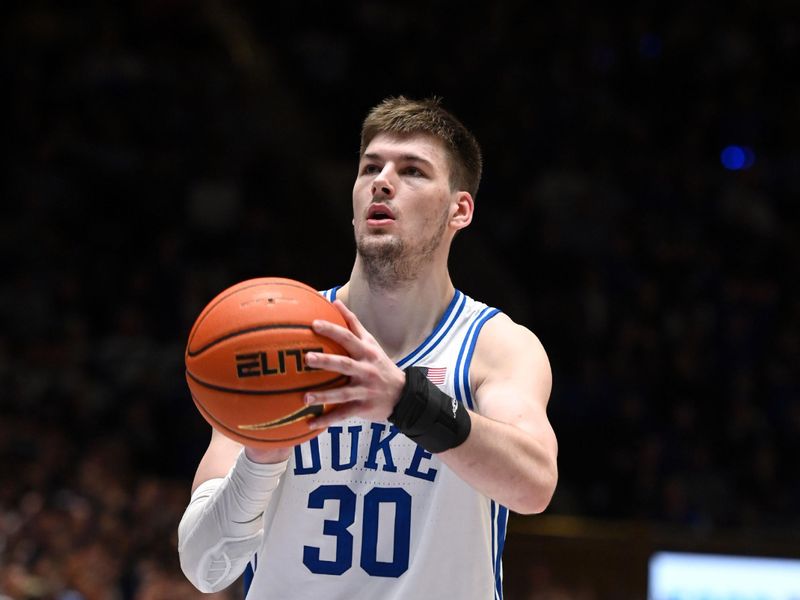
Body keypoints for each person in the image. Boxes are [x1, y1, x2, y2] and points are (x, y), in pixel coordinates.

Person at [178, 96, 558, 599]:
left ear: (459, 210)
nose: (382, 181)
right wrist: (261, 458)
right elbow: (205, 568)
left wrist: (407, 401)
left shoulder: (494, 345)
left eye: (413, 171)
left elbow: (533, 484)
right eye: (370, 167)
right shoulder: (278, 335)